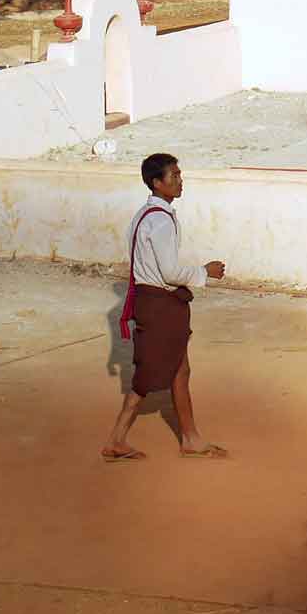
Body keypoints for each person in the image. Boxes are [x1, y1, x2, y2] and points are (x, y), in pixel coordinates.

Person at [103, 153, 228, 462]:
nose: (179, 180)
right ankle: (118, 438)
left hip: (155, 303)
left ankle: (190, 438)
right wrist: (204, 272)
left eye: (179, 174)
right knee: (148, 377)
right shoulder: (160, 221)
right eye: (173, 176)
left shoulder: (144, 215)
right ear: (157, 183)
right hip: (161, 306)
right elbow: (170, 272)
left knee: (179, 370)